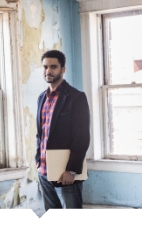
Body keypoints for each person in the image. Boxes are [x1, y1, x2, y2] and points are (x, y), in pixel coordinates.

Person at [35, 50, 90, 210]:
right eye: (45, 67)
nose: (48, 71)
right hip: (44, 170)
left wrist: (71, 169)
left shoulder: (76, 97)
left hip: (65, 173)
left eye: (53, 67)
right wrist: (38, 160)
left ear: (63, 69)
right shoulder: (41, 98)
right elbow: (41, 134)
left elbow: (82, 137)